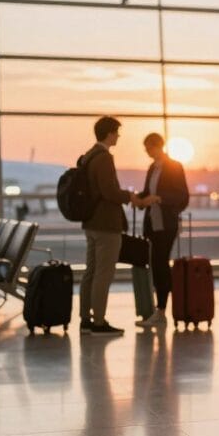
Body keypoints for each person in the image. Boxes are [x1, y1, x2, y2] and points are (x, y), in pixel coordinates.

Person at [79, 116, 152, 336]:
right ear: (109, 133)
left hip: (91, 222)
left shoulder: (88, 156)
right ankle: (99, 322)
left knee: (90, 272)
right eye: (117, 132)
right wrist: (129, 196)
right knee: (103, 273)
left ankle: (85, 319)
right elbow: (108, 192)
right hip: (106, 224)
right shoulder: (104, 158)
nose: (119, 136)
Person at [135, 133, 188, 329]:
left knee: (160, 263)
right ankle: (161, 310)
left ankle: (162, 310)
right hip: (153, 223)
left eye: (149, 148)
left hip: (166, 224)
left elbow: (182, 196)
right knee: (157, 264)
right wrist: (138, 199)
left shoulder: (174, 166)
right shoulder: (153, 168)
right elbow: (148, 193)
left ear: (158, 146)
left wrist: (158, 199)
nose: (147, 152)